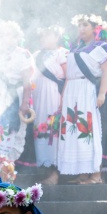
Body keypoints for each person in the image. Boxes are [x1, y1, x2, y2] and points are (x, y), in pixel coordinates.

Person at [58, 15, 107, 184]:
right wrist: (63, 95)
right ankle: (82, 172)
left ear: (94, 28)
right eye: (79, 25)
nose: (81, 28)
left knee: (88, 130)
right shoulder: (75, 49)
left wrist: (102, 93)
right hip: (72, 92)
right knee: (74, 131)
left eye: (85, 25)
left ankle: (96, 174)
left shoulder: (102, 47)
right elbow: (69, 74)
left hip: (87, 90)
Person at [0, 21, 35, 177]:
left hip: (15, 97)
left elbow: (28, 82)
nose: (2, 38)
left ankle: (7, 174)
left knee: (10, 136)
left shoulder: (23, 54)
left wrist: (25, 103)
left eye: (7, 34)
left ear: (16, 37)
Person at [32, 26, 68, 183]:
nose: (44, 39)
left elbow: (67, 76)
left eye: (48, 36)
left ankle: (55, 170)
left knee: (53, 128)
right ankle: (43, 166)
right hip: (38, 94)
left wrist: (64, 97)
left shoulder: (62, 53)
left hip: (54, 93)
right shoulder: (35, 55)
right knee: (39, 128)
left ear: (56, 37)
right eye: (42, 36)